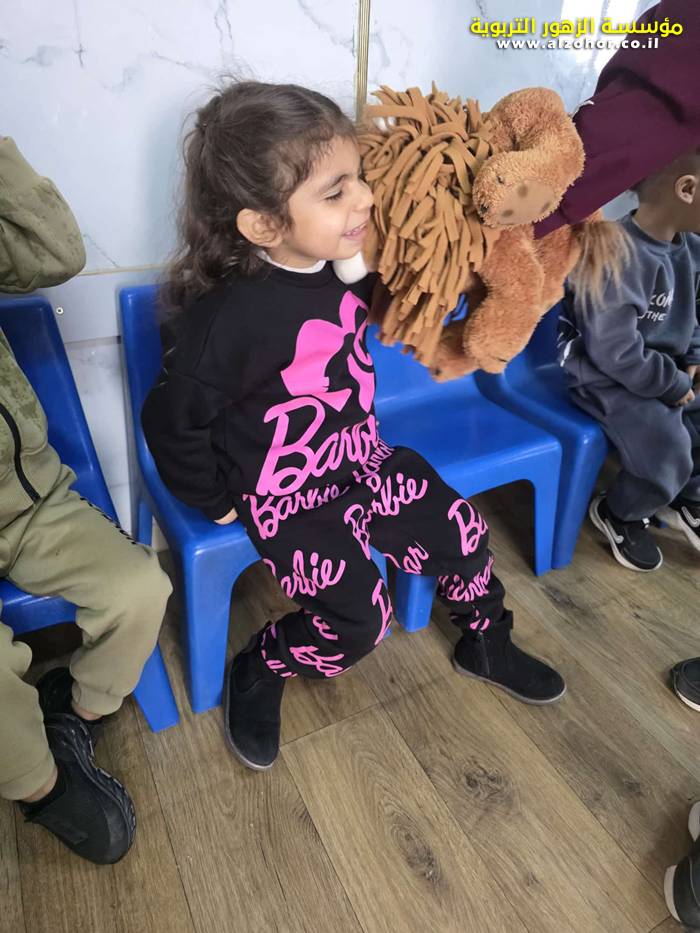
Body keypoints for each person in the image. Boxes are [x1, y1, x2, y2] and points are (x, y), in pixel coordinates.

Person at [142, 81, 566, 773]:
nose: (365, 198)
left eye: (360, 178)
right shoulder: (224, 323)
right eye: (336, 192)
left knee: (462, 531)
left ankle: (485, 640)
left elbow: (419, 286)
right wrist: (215, 499)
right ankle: (263, 663)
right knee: (359, 621)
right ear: (262, 225)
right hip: (286, 495)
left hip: (363, 458)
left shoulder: (349, 268)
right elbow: (170, 422)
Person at [0, 136, 172, 863]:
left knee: (141, 587)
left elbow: (56, 253)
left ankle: (75, 712)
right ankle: (41, 788)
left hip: (32, 500)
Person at [558, 147, 700, 571]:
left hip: (657, 371)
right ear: (687, 190)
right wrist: (672, 384)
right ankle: (621, 511)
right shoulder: (616, 255)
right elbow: (613, 351)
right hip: (603, 377)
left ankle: (688, 494)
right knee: (667, 442)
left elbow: (692, 313)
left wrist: (693, 356)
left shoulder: (690, 248)